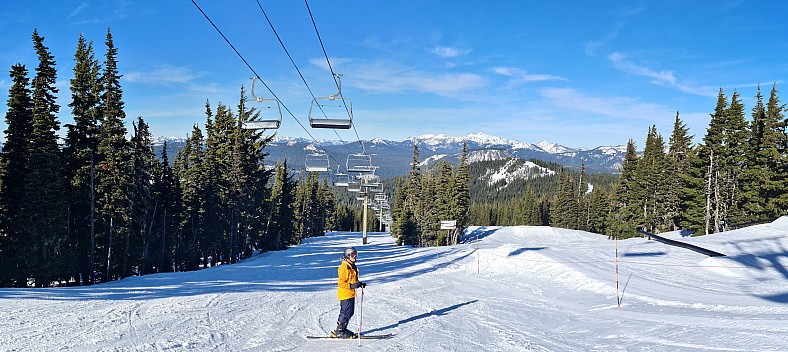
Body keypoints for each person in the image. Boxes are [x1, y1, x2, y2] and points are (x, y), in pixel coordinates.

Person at [331, 246, 366, 338]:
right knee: (346, 312)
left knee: (350, 312)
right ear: (347, 256)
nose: (355, 256)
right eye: (353, 255)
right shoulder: (344, 267)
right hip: (345, 293)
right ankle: (340, 330)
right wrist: (351, 286)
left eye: (356, 254)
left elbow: (353, 280)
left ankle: (342, 329)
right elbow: (341, 282)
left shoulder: (352, 267)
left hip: (350, 293)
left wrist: (359, 284)